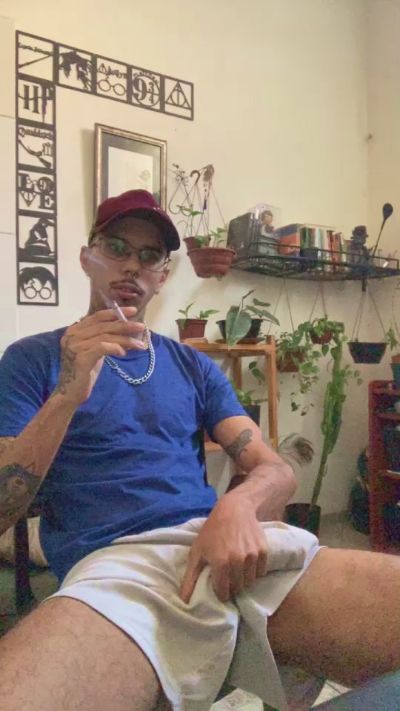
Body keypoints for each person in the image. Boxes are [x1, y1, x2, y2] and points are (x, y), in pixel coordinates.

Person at [0, 190, 399, 711]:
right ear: (86, 257)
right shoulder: (31, 359)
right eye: (116, 247)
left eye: (149, 256)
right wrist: (67, 395)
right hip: (115, 569)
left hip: (220, 547)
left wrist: (237, 505)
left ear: (163, 276)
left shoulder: (192, 366)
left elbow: (274, 470)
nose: (132, 266)